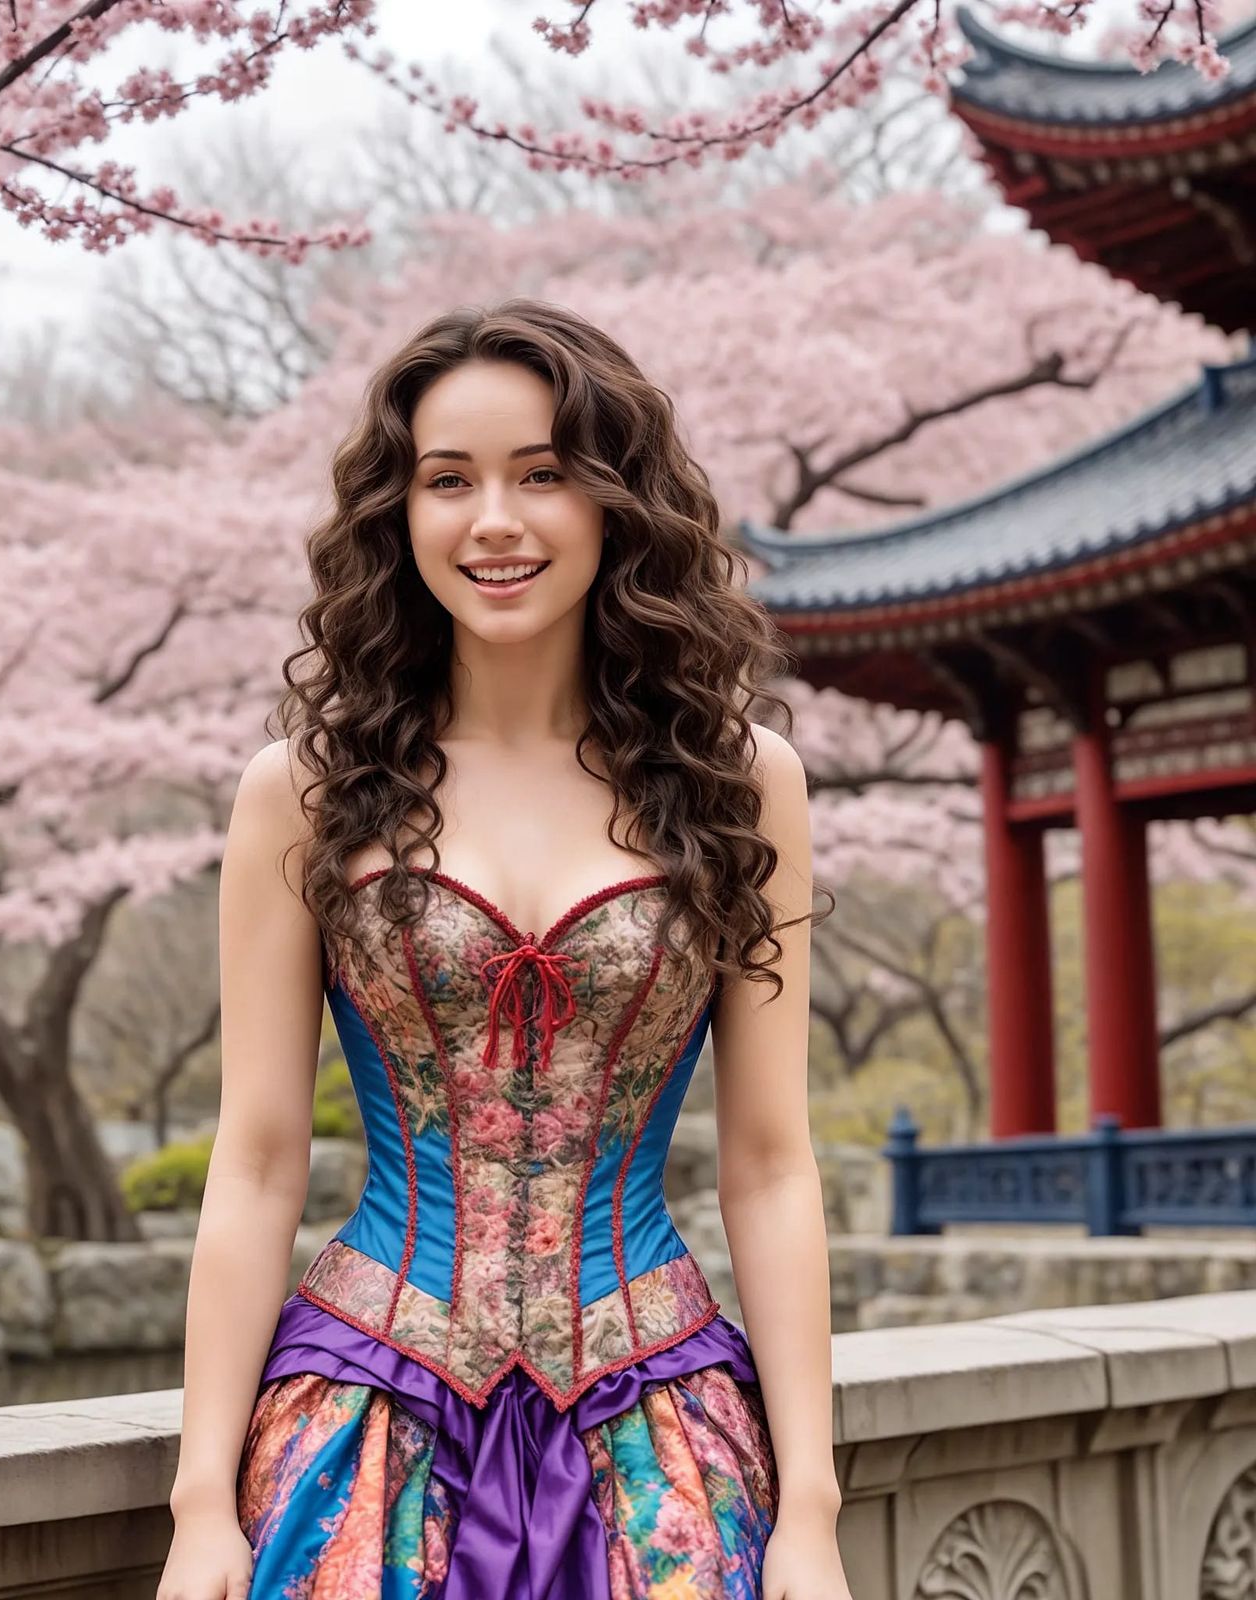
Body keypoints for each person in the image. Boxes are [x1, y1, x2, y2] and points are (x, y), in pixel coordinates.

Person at [157, 298, 850, 1600]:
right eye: (448, 481)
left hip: (662, 1441)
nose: (495, 522)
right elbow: (255, 1160)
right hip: (363, 1426)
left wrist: (808, 1508)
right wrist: (201, 1500)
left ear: (616, 501)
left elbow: (768, 1164)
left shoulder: (740, 784)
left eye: (543, 475)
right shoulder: (300, 792)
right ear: (398, 514)